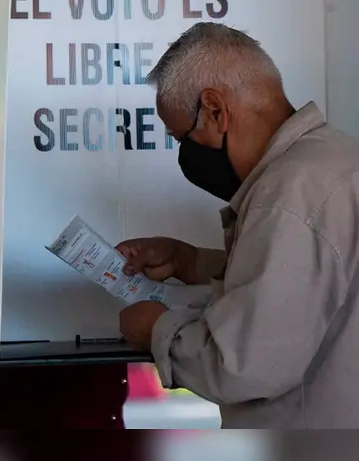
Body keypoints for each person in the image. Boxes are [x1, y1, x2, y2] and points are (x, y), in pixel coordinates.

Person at [117, 22, 359, 428]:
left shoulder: (287, 197)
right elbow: (315, 283)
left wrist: (158, 330)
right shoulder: (337, 160)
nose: (185, 153)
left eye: (181, 137)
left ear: (215, 110)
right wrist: (187, 261)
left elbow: (245, 366)